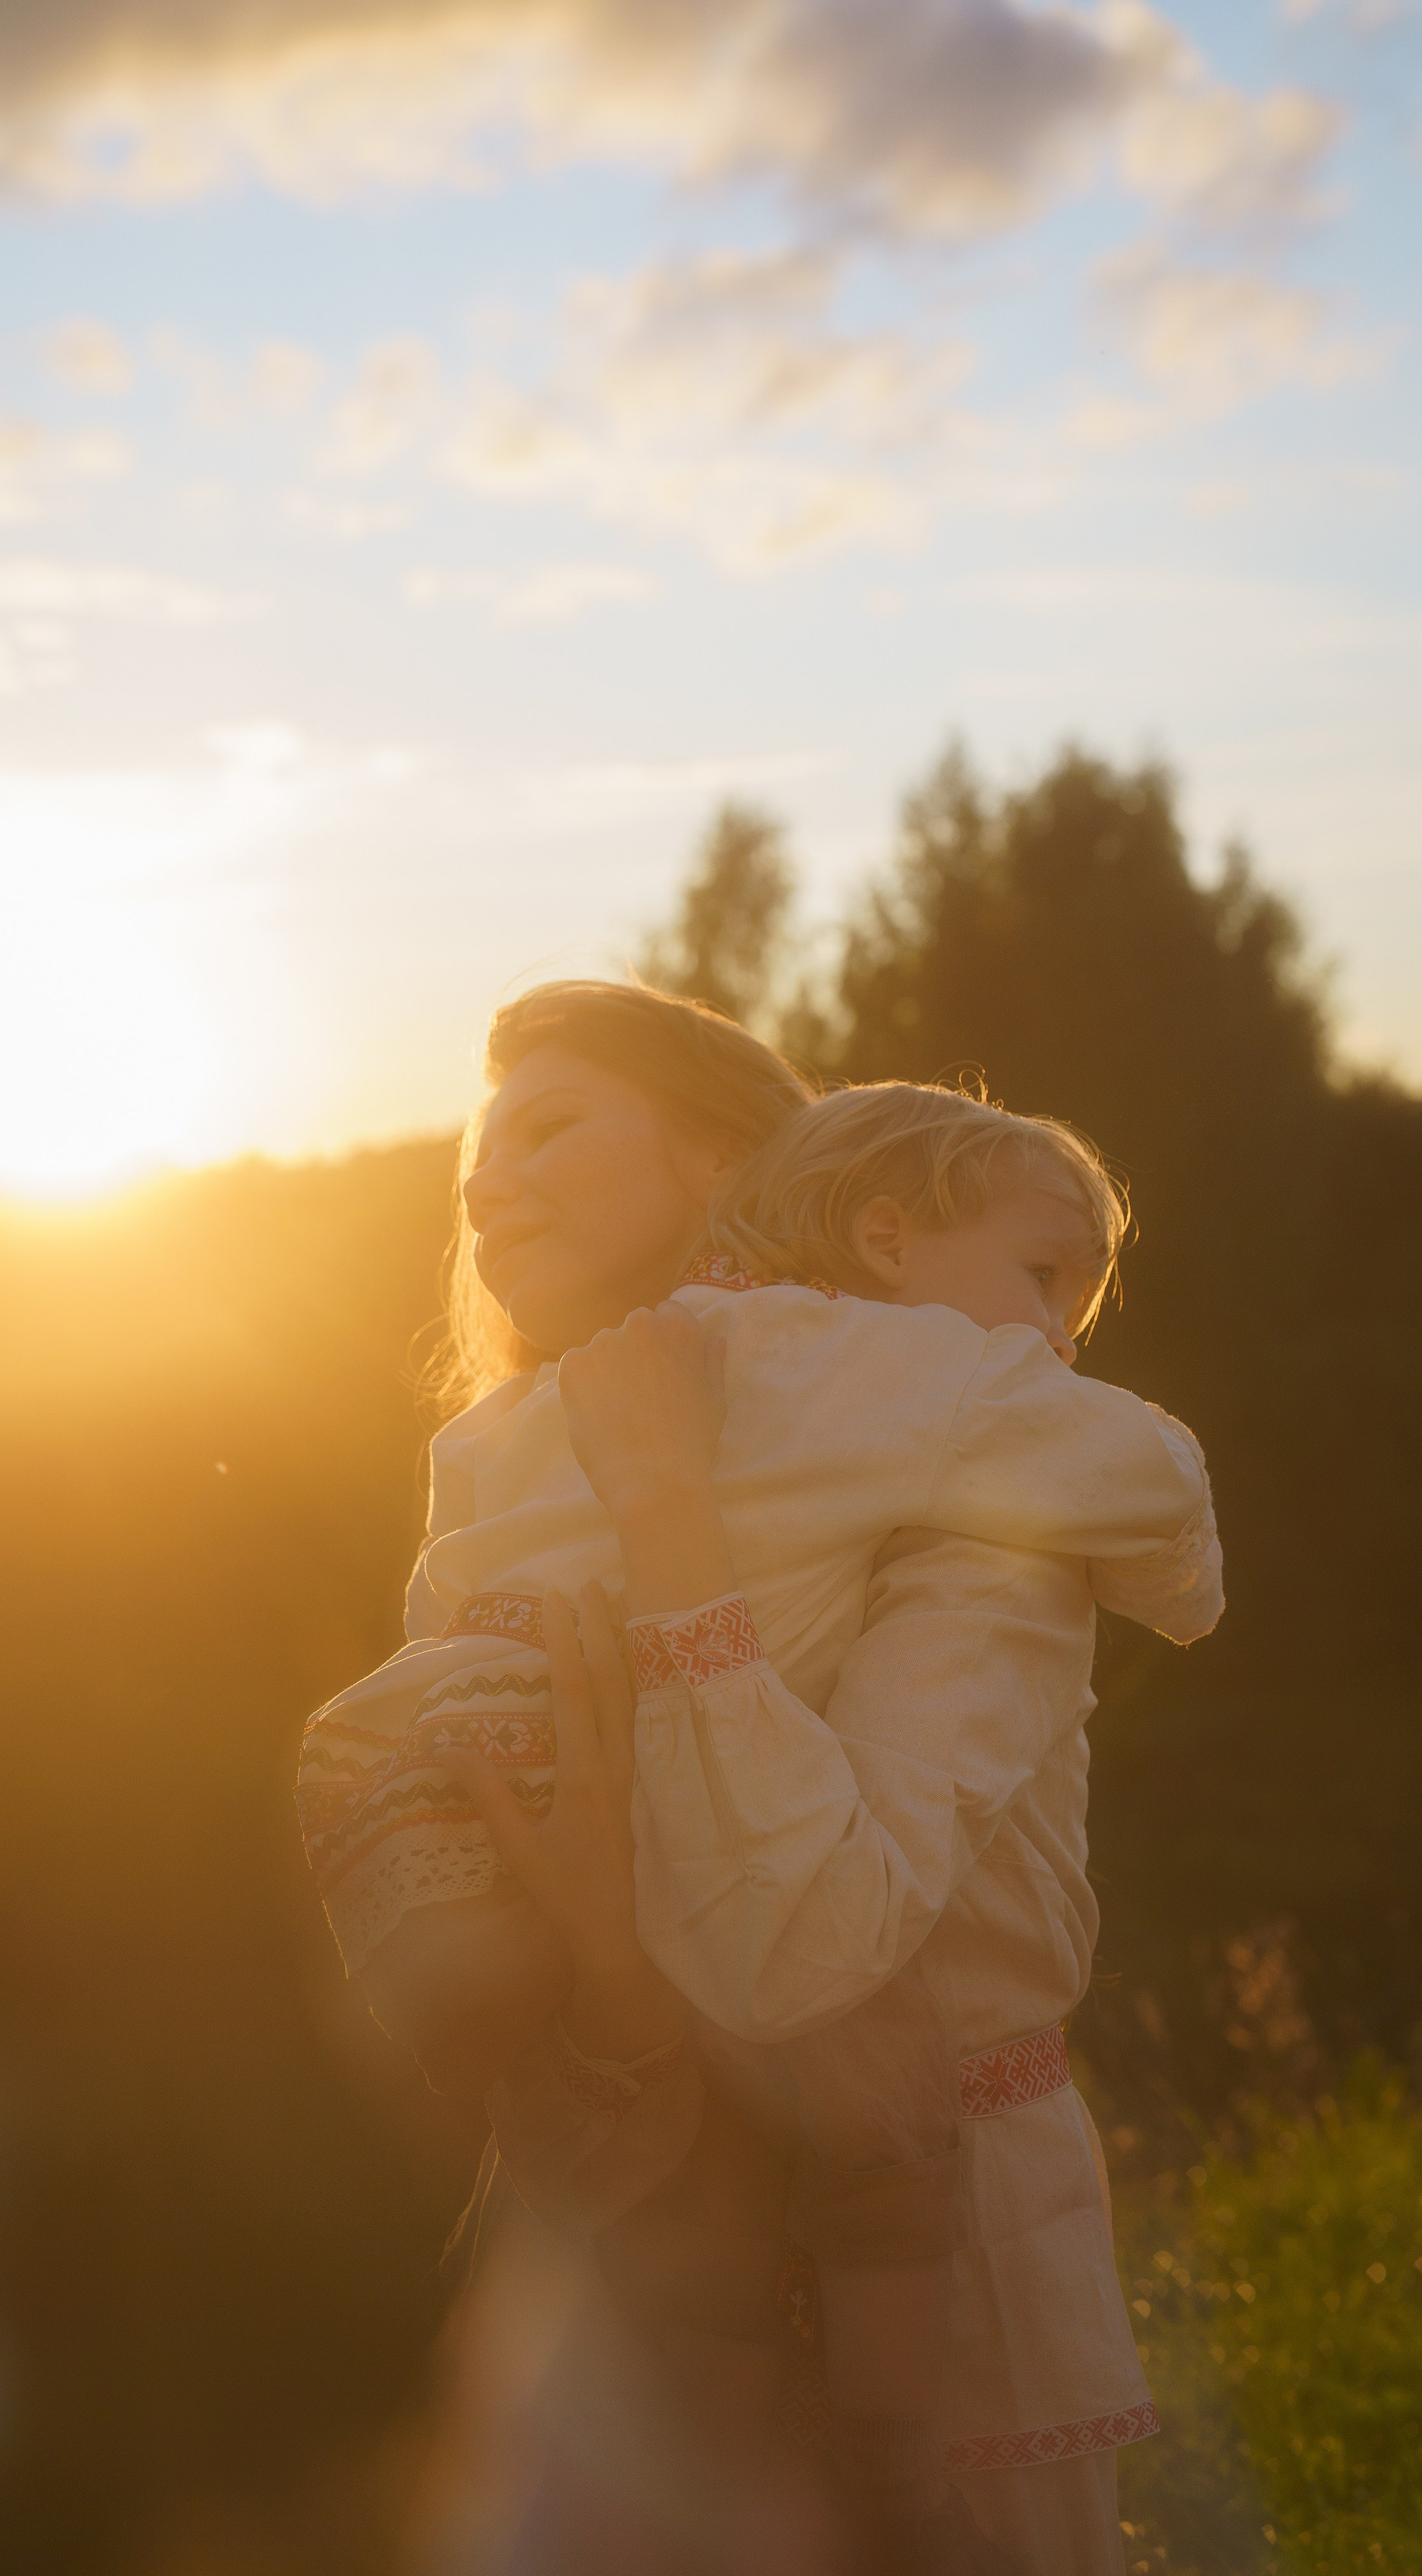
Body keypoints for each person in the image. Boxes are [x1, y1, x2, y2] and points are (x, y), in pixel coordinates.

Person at [297, 982, 1221, 2573]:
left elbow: (794, 1938)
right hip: (642, 2223)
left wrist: (668, 1519)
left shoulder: (955, 1498)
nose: (483, 1177)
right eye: (477, 1144)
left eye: (550, 1124)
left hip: (918, 2223)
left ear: (723, 1151)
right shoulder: (499, 1465)